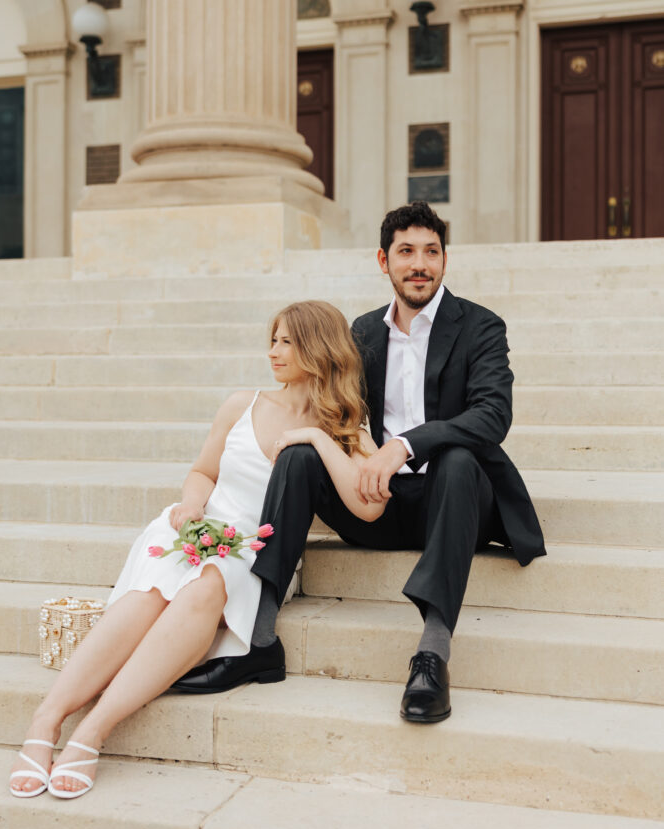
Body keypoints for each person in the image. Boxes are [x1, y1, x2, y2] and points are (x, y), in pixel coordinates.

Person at [174, 202, 546, 724]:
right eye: (406, 252)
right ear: (383, 260)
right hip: (380, 500)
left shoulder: (480, 327)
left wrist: (406, 445)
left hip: (460, 501)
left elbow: (491, 416)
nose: (420, 264)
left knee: (460, 457)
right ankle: (259, 643)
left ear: (445, 260)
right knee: (302, 453)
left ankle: (432, 657)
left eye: (431, 252)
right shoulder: (363, 332)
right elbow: (333, 404)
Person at [9, 301, 386, 800]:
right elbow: (203, 472)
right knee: (149, 595)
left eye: (287, 342)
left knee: (208, 586)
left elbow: (370, 509)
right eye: (272, 339)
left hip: (254, 551)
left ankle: (91, 732)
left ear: (318, 347)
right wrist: (189, 508)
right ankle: (46, 719)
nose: (273, 352)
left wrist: (317, 435)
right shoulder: (241, 405)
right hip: (199, 527)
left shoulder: (346, 424)